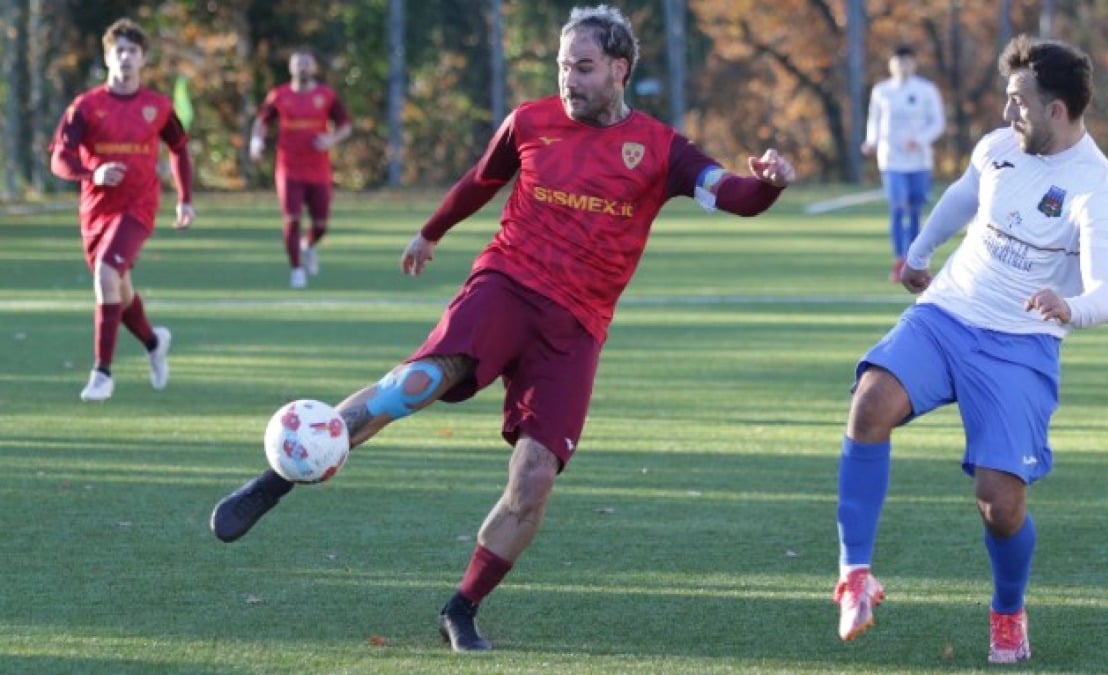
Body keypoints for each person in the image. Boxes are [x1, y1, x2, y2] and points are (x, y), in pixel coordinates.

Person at [212, 4, 795, 653]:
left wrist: (767, 185)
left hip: (575, 326)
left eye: (583, 66)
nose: (568, 78)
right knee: (420, 379)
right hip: (505, 286)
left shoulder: (660, 149)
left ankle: (461, 607)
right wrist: (429, 231)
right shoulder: (531, 121)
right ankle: (278, 476)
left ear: (619, 69)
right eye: (561, 65)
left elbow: (730, 192)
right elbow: (480, 180)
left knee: (534, 479)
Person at [833, 35, 1108, 664]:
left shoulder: (1096, 188)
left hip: (1020, 347)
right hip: (948, 313)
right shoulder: (998, 149)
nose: (1006, 113)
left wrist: (1069, 306)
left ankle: (1008, 611)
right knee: (870, 402)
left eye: (1020, 102)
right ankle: (855, 575)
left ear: (1058, 109)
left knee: (1001, 504)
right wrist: (919, 251)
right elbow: (964, 195)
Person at [50, 17, 196, 403]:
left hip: (138, 206)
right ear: (108, 57)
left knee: (106, 273)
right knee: (117, 286)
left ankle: (102, 373)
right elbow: (60, 159)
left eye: (134, 51)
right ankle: (152, 341)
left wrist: (184, 199)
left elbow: (180, 149)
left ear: (143, 59)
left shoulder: (158, 106)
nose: (127, 57)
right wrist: (92, 173)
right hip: (95, 211)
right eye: (120, 51)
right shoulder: (86, 106)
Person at [249, 48, 352, 289]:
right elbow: (261, 122)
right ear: (291, 68)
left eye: (307, 64)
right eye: (298, 64)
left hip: (318, 169)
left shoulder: (326, 96)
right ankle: (296, 270)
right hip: (289, 168)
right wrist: (256, 142)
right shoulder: (279, 96)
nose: (303, 68)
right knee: (291, 218)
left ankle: (308, 246)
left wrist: (330, 139)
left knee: (321, 224)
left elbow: (345, 125)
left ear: (314, 68)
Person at [861, 43, 945, 282]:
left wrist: (919, 140)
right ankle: (899, 259)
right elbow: (874, 120)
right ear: (891, 64)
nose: (902, 65)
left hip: (919, 161)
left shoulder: (926, 90)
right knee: (898, 207)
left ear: (914, 63)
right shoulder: (882, 91)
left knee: (915, 208)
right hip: (891, 159)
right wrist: (871, 141)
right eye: (898, 61)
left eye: (907, 60)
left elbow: (937, 123)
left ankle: (914, 258)